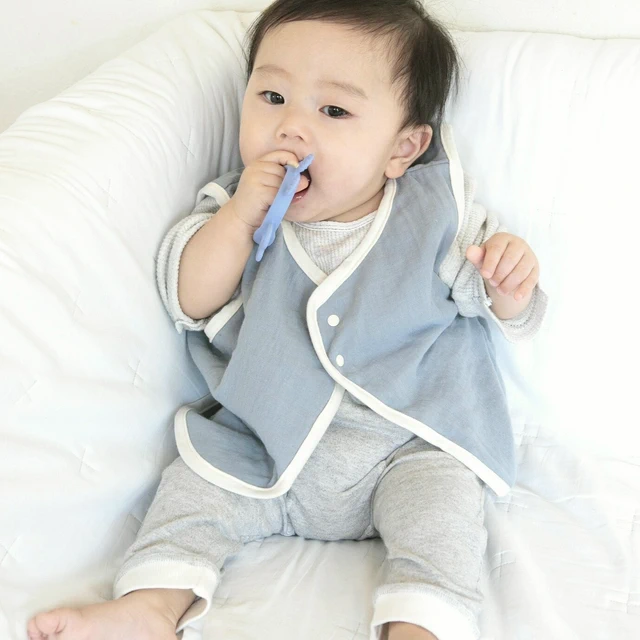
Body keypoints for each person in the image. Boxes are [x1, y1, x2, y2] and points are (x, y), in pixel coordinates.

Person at [27, 1, 548, 639]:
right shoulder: (232, 208)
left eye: (334, 111)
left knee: (443, 520)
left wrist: (508, 283)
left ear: (402, 148)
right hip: (263, 442)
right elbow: (189, 298)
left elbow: (496, 303)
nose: (291, 128)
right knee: (192, 493)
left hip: (405, 447)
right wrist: (239, 220)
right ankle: (151, 605)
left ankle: (421, 625)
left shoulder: (437, 217)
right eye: (272, 97)